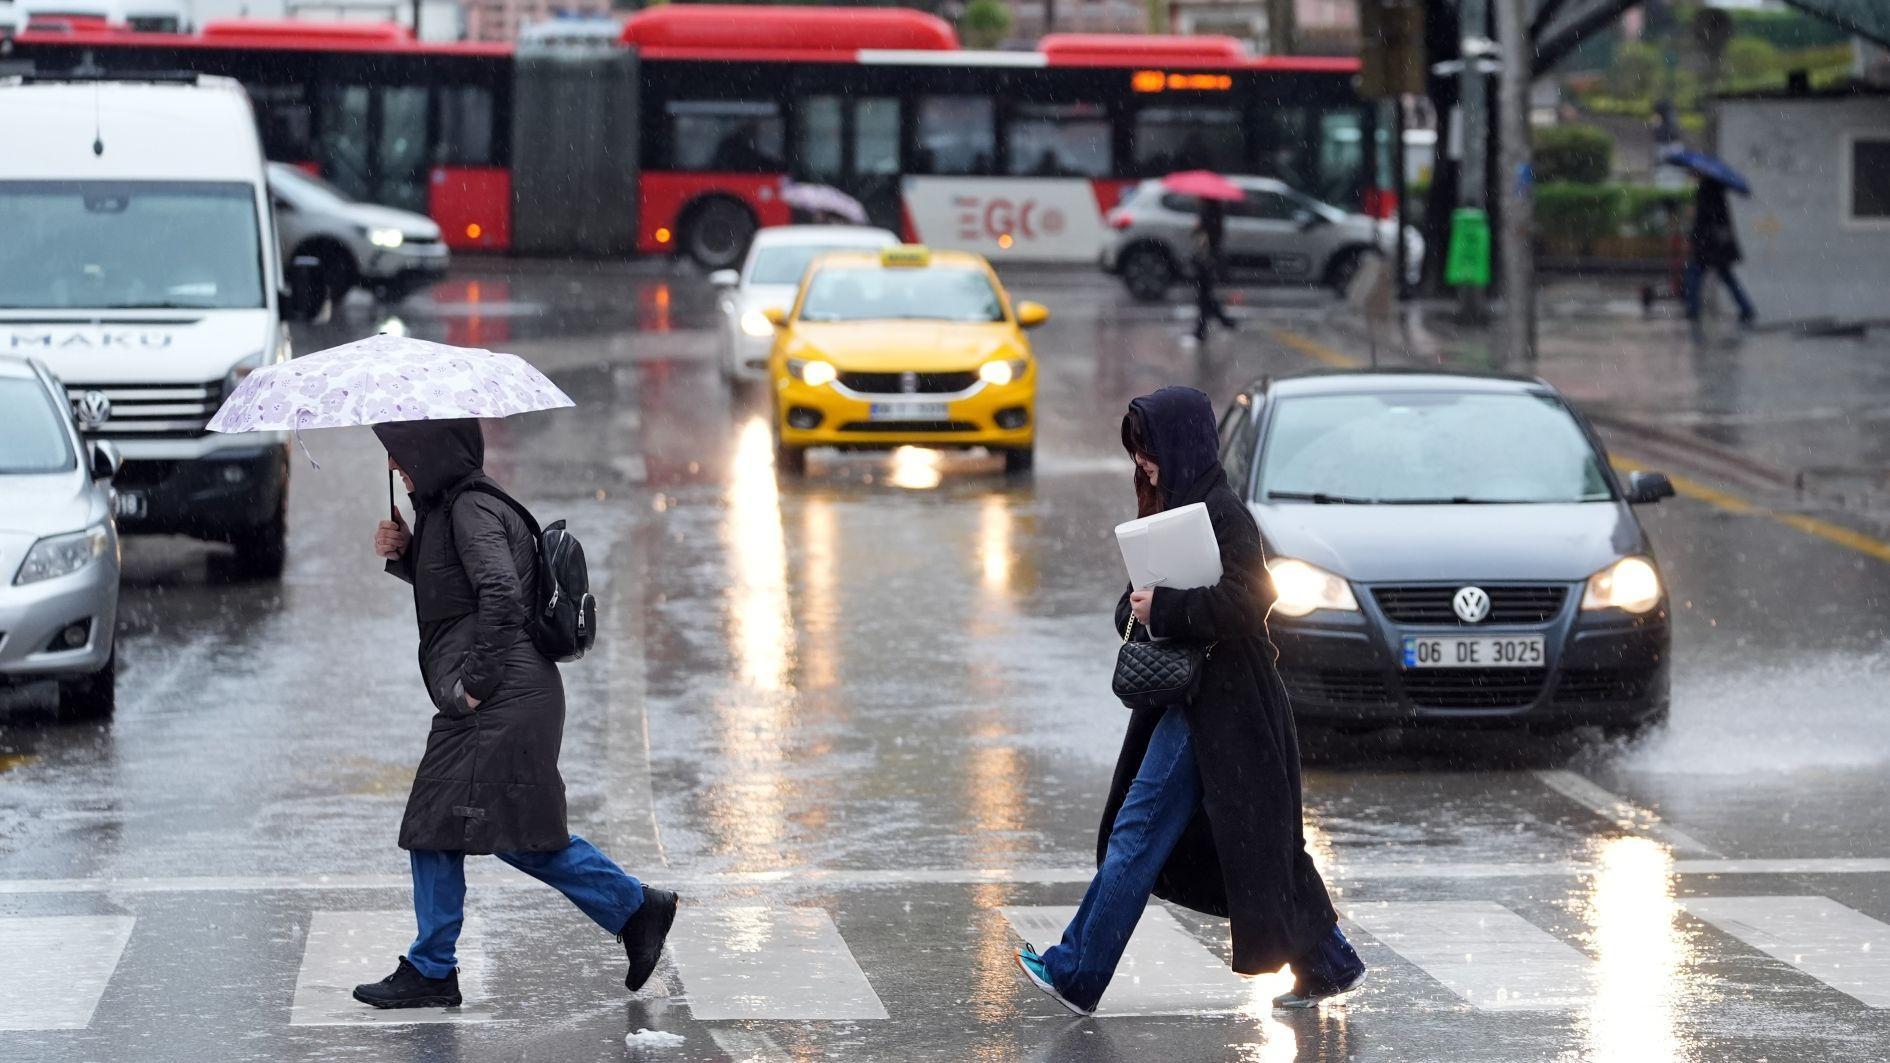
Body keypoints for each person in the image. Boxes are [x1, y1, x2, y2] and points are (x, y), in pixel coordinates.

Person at [1014, 386, 1364, 1016]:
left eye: (1148, 451)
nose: (1142, 464)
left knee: (1142, 832)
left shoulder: (1225, 513)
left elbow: (1250, 600)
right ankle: (1329, 960)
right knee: (1260, 844)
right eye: (1137, 453)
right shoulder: (1174, 509)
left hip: (1226, 706)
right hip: (1193, 700)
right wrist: (1142, 606)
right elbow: (1132, 605)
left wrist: (1167, 607)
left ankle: (1076, 971)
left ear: (1179, 446)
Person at [354, 418, 677, 1009]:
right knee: (508, 832)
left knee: (439, 825)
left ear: (428, 452)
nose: (396, 468)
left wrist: (473, 686)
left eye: (400, 455)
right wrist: (407, 553)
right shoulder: (453, 508)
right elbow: (460, 594)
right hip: (510, 696)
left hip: (500, 698)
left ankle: (432, 968)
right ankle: (634, 909)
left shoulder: (470, 509)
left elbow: (501, 594)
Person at [1685, 177, 1756, 326]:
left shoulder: (1706, 191)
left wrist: (1694, 236)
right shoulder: (1717, 190)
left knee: (1694, 273)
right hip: (1716, 246)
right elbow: (1718, 220)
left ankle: (1692, 310)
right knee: (1726, 277)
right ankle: (1746, 307)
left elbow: (1703, 221)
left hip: (1708, 246)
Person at [1190, 201, 1236, 343]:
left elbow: (1206, 236)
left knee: (1204, 295)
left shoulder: (1209, 211)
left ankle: (1201, 330)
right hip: (1209, 258)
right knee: (1205, 294)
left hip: (1207, 259)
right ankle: (1222, 321)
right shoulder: (1213, 210)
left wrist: (1198, 227)